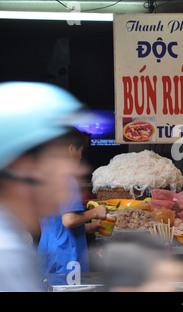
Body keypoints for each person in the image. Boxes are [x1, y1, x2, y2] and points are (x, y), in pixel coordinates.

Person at [0, 81, 96, 291]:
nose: (80, 170)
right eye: (57, 156)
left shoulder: (16, 249)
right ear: (21, 165)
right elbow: (69, 220)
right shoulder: (7, 258)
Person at [38, 127, 108, 275]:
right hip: (67, 257)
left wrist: (89, 228)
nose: (80, 156)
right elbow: (69, 220)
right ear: (71, 149)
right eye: (81, 150)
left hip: (48, 252)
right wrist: (95, 212)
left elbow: (56, 224)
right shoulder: (68, 179)